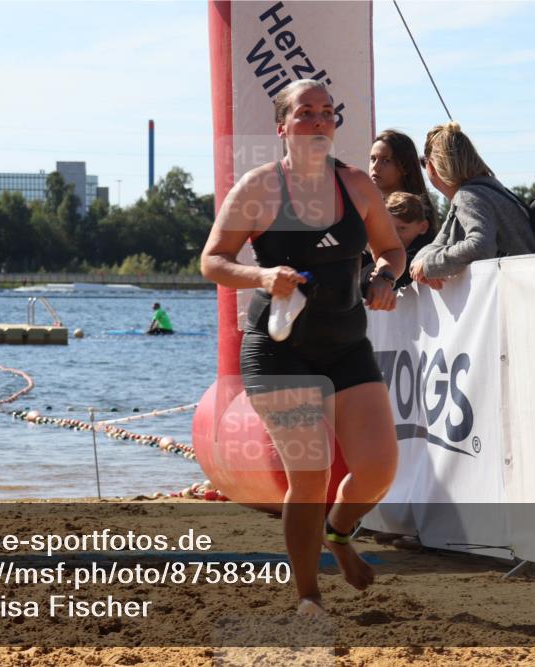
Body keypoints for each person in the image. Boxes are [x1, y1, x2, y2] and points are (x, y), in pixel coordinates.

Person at [200, 79, 405, 616]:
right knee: (310, 477)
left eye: (325, 112)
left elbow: (390, 249)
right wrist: (263, 275)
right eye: (304, 113)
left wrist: (384, 278)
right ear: (283, 127)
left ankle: (338, 535)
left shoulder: (357, 184)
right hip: (279, 350)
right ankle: (308, 596)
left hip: (345, 346)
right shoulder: (260, 187)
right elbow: (213, 261)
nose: (317, 121)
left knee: (379, 469)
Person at [409, 121, 535, 288]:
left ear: (431, 166)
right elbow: (438, 244)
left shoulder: (468, 196)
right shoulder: (488, 190)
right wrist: (423, 264)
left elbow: (480, 246)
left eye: (424, 162)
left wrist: (429, 265)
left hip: (523, 293)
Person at [361, 192, 432, 294]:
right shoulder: (373, 249)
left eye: (402, 228)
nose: (395, 235)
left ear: (423, 227)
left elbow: (406, 268)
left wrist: (384, 273)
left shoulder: (425, 251)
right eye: (389, 228)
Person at [368, 129, 439, 229]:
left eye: (386, 161)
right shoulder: (368, 206)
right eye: (373, 159)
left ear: (405, 167)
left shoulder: (415, 212)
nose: (375, 167)